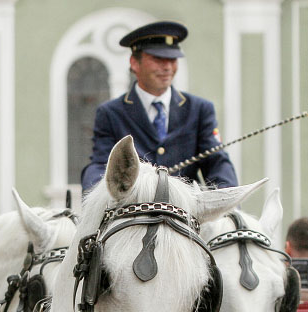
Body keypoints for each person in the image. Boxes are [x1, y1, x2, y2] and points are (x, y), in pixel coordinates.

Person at [80, 20, 237, 192]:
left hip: (184, 214)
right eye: (159, 59)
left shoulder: (200, 110)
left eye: (172, 59)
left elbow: (216, 163)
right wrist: (94, 199)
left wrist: (228, 206)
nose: (168, 67)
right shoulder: (110, 113)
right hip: (133, 213)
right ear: (134, 63)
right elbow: (102, 165)